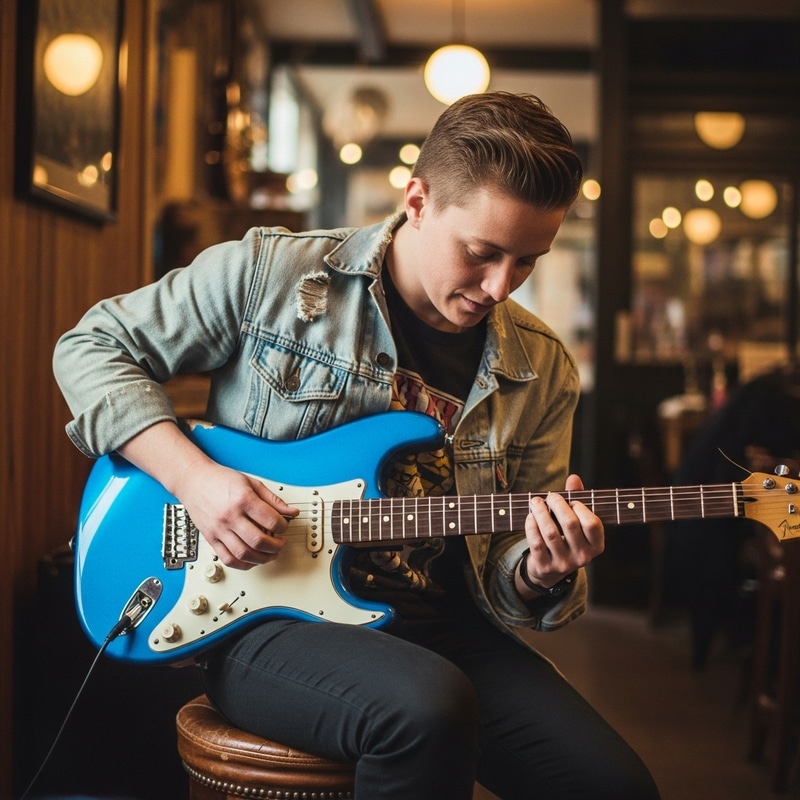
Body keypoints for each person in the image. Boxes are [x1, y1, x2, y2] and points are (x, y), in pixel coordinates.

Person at [54, 92, 659, 800]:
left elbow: (506, 573)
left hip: (442, 627)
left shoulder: (542, 366)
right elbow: (92, 347)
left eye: (527, 262)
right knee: (424, 707)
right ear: (418, 200)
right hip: (263, 616)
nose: (499, 286)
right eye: (481, 254)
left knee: (615, 785)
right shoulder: (271, 277)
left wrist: (542, 570)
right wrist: (196, 481)